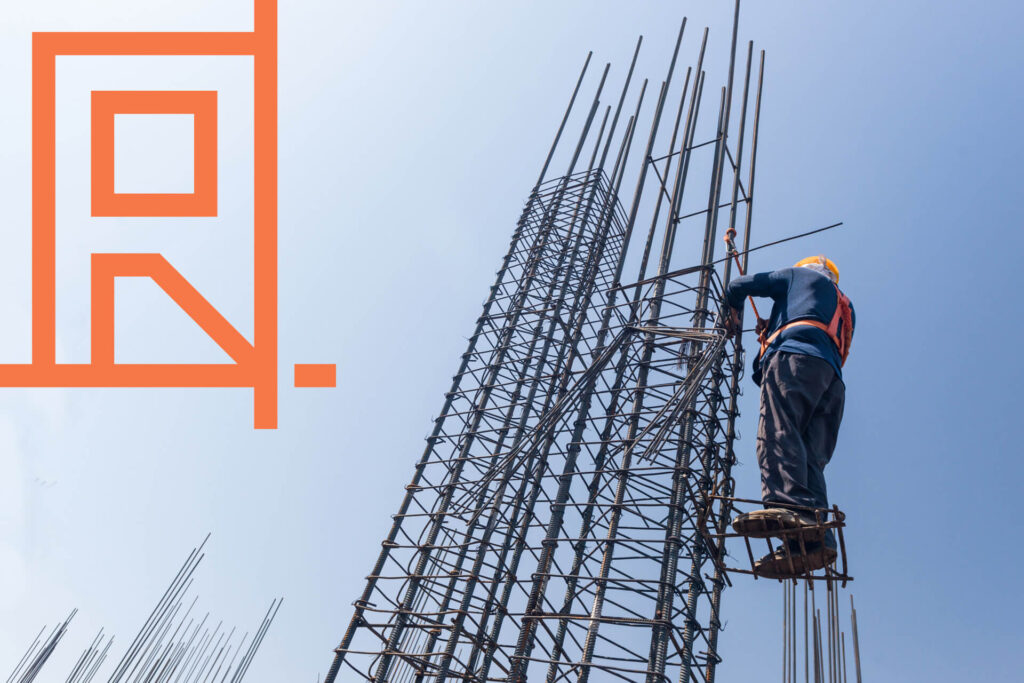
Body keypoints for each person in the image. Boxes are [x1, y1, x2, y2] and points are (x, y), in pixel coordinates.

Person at [722, 255, 854, 577]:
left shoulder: (796, 277)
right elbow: (811, 330)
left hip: (795, 359)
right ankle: (813, 540)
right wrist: (772, 332)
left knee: (778, 433)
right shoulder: (842, 304)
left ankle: (786, 507)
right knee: (810, 460)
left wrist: (733, 311)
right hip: (830, 382)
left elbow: (739, 285)